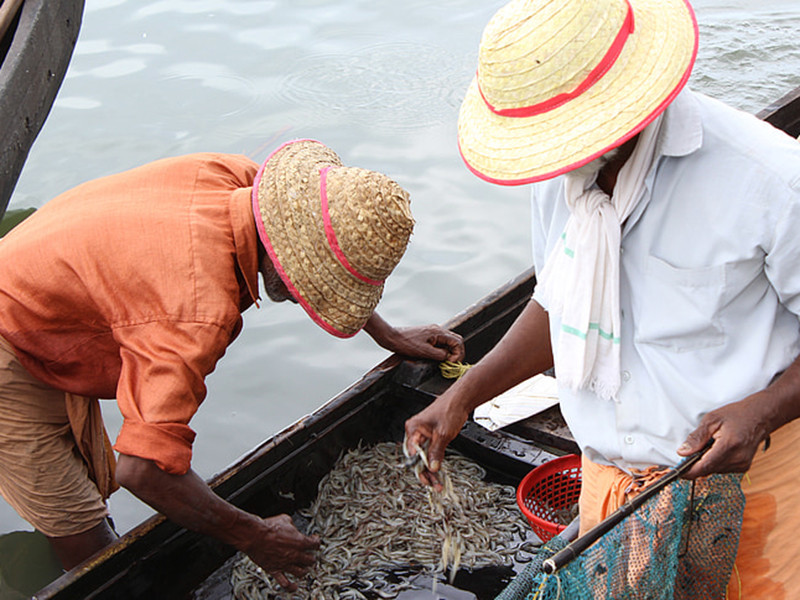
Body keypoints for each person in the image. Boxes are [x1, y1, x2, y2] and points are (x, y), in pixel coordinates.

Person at [404, 0, 800, 597]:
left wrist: (762, 410)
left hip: (748, 487)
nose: (558, 155)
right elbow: (557, 303)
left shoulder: (767, 178)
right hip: (608, 490)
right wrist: (465, 393)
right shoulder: (559, 178)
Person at [0, 138, 464, 588]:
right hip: (10, 342)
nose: (311, 298)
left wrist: (386, 333)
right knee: (78, 522)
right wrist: (254, 535)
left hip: (45, 287)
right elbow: (141, 470)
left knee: (89, 480)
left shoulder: (236, 179)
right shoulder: (197, 309)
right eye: (317, 287)